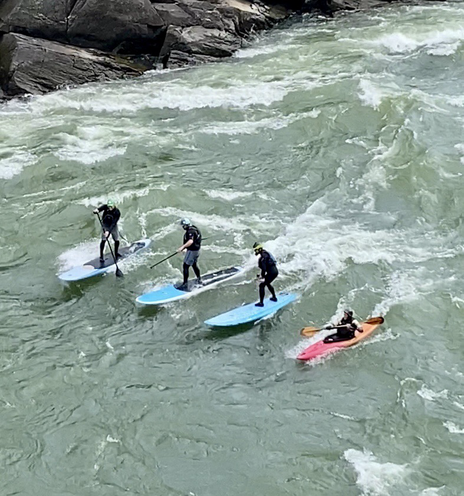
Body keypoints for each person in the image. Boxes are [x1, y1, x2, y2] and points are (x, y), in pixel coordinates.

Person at [93, 199, 121, 264]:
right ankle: (101, 256)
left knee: (116, 240)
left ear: (114, 206)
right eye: (109, 207)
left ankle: (116, 253)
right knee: (103, 240)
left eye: (111, 207)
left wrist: (108, 231)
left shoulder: (117, 212)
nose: (110, 208)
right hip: (105, 225)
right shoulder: (106, 207)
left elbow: (114, 223)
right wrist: (97, 210)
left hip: (113, 226)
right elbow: (100, 209)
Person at [177, 218, 202, 290]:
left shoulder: (190, 231)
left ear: (185, 225)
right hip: (197, 250)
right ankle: (199, 279)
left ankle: (185, 284)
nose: (183, 227)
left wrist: (182, 247)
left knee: (185, 266)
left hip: (192, 251)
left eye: (183, 226)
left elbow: (190, 241)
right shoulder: (194, 228)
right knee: (194, 265)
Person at [253, 242, 278, 307]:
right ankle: (274, 297)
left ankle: (261, 303)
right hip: (274, 272)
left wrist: (262, 277)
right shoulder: (266, 253)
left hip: (272, 273)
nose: (255, 251)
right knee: (267, 283)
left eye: (255, 250)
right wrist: (262, 276)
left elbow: (264, 269)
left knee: (262, 285)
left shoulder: (263, 258)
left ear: (259, 249)